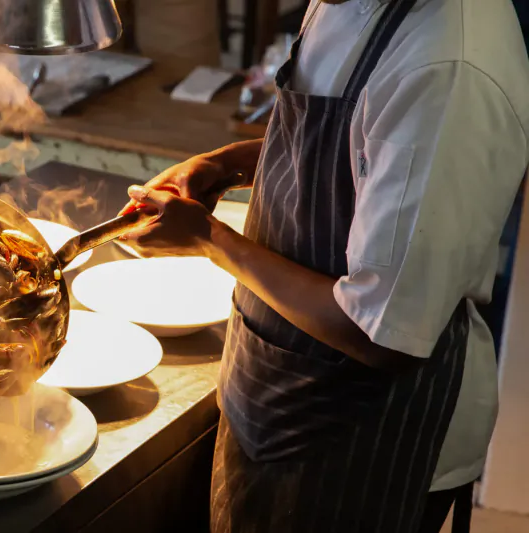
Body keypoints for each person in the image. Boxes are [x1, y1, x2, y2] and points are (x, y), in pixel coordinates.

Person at [118, 0, 529, 531]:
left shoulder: (448, 70)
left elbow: (379, 333)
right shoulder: (353, 5)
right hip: (277, 392)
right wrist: (228, 164)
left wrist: (208, 238)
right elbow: (357, 144)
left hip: (363, 440)